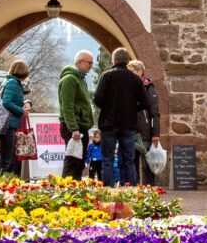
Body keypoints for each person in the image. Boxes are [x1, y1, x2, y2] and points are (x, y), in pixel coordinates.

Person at [93, 48, 148, 188]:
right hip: (128, 124)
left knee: (108, 160)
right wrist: (131, 109)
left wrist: (108, 108)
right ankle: (131, 190)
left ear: (114, 60)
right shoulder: (135, 79)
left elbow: (97, 98)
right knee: (129, 160)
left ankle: (108, 190)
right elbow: (144, 103)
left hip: (108, 123)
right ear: (128, 61)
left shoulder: (107, 76)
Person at [56, 50, 95, 181]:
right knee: (72, 162)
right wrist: (73, 129)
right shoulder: (69, 79)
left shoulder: (81, 79)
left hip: (81, 126)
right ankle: (67, 188)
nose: (91, 66)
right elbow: (67, 106)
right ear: (79, 62)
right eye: (89, 63)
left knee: (79, 163)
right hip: (74, 127)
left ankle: (76, 187)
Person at [0, 59, 30, 175]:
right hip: (7, 125)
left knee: (9, 160)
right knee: (6, 161)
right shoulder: (13, 83)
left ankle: (3, 181)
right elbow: (6, 102)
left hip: (7, 124)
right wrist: (21, 111)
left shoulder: (9, 82)